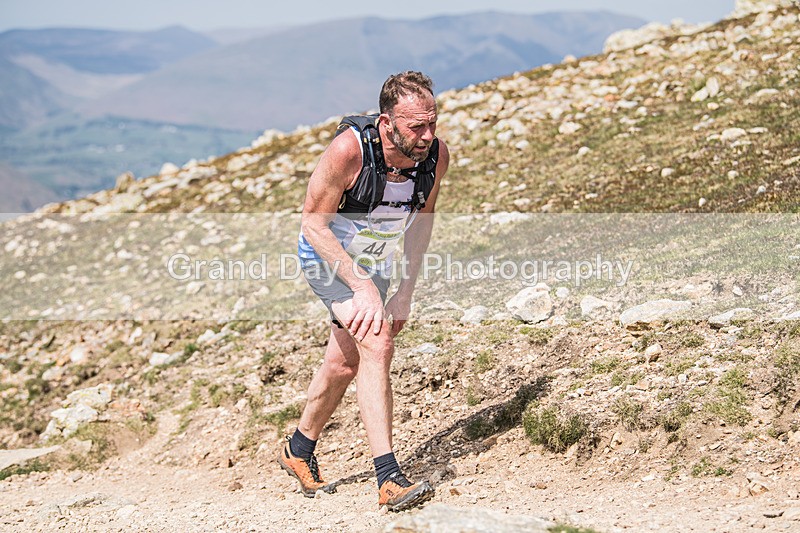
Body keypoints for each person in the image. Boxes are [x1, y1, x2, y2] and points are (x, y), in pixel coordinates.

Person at [278, 71, 449, 512]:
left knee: (344, 362)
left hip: (377, 263)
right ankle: (388, 478)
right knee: (377, 341)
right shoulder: (349, 151)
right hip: (327, 258)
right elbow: (313, 224)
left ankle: (298, 448)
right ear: (387, 123)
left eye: (432, 122)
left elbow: (423, 220)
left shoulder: (435, 156)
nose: (427, 135)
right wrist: (360, 286)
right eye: (417, 126)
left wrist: (405, 290)